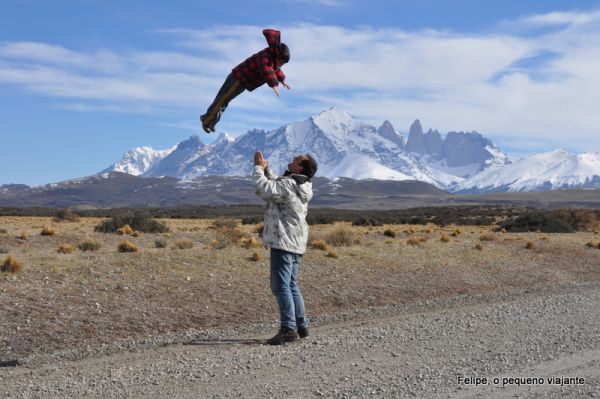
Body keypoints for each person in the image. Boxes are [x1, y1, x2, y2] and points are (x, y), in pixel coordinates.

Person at [252, 151, 318, 345]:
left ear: (300, 168)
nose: (292, 161)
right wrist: (267, 170)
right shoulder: (301, 184)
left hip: (283, 241)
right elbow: (277, 184)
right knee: (291, 285)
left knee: (281, 286)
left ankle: (288, 329)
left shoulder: (289, 184)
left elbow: (263, 189)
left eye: (296, 161)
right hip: (296, 242)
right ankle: (301, 325)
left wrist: (257, 169)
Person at [200, 29, 291, 133]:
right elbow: (267, 69)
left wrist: (282, 80)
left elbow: (276, 69)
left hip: (242, 82)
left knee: (225, 100)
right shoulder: (265, 57)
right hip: (238, 78)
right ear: (277, 55)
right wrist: (274, 84)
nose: (281, 65)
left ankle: (209, 120)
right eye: (282, 62)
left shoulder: (272, 59)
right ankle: (207, 121)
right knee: (223, 99)